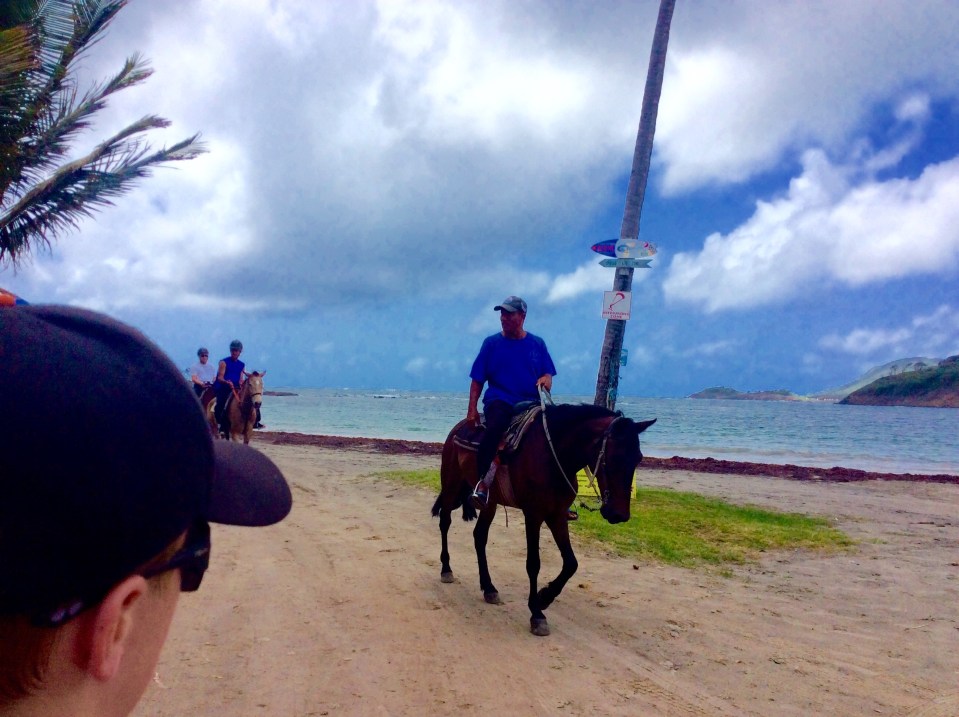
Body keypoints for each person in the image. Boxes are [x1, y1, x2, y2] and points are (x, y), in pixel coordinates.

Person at [0, 305, 292, 717]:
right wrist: (220, 381)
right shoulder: (221, 367)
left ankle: (249, 422)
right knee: (224, 397)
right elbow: (222, 382)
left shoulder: (240, 364)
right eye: (195, 556)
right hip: (221, 388)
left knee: (249, 406)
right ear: (116, 625)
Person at [467, 296, 556, 508]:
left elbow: (548, 375)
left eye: (509, 313)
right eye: (502, 313)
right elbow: (477, 379)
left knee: (556, 431)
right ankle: (482, 484)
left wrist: (545, 379)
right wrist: (472, 409)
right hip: (500, 400)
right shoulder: (491, 344)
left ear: (522, 316)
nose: (503, 318)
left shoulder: (537, 344)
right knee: (495, 428)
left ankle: (557, 489)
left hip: (531, 403)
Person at [215, 339, 245, 437]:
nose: (234, 352)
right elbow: (220, 377)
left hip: (236, 388)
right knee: (221, 404)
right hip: (224, 387)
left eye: (237, 350)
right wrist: (227, 382)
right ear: (230, 351)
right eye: (233, 350)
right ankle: (221, 426)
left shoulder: (242, 365)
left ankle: (255, 421)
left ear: (240, 352)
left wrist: (241, 384)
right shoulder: (223, 362)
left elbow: (241, 379)